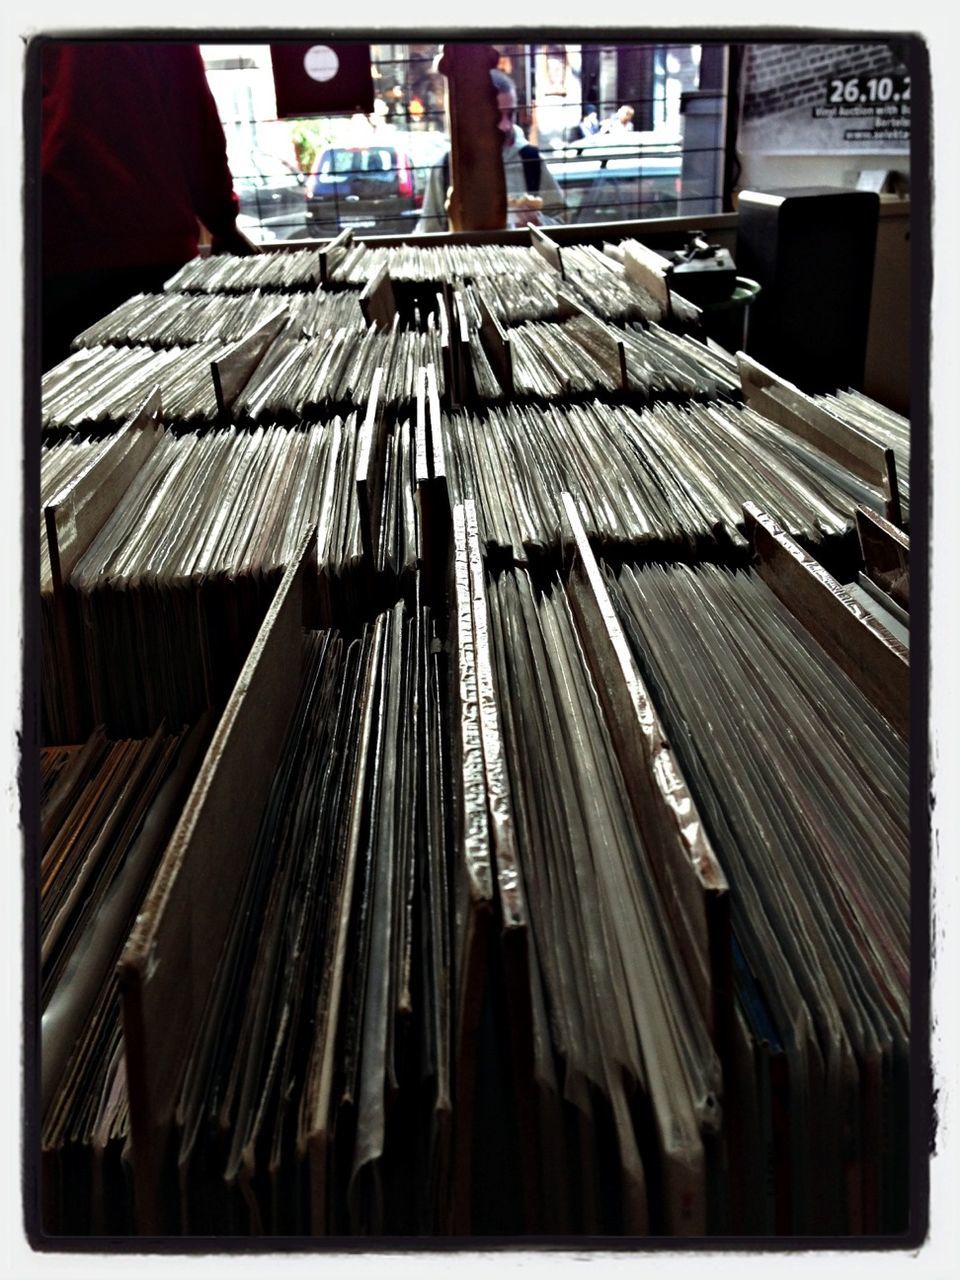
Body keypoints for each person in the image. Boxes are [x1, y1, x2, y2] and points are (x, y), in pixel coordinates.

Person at [40, 41, 253, 372]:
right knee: (174, 401)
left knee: (55, 409)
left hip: (52, 251)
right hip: (153, 246)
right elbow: (192, 117)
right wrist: (222, 221)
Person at [415, 68, 564, 233]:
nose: (506, 125)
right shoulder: (446, 167)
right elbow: (428, 232)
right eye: (497, 116)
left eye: (511, 114)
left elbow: (562, 220)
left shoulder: (531, 160)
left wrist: (539, 223)